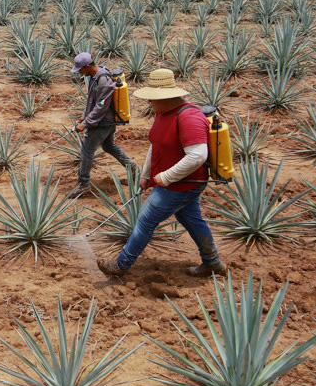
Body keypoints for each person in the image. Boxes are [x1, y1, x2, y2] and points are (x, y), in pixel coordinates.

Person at [97, 68, 226, 277]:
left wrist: (166, 176)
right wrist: (146, 174)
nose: (149, 103)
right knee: (192, 220)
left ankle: (121, 265)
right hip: (176, 184)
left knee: (145, 221)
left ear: (168, 97)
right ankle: (213, 262)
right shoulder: (163, 114)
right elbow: (156, 145)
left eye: (152, 99)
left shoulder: (189, 118)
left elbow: (198, 156)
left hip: (182, 184)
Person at [67, 52, 135, 199]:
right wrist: (85, 115)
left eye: (80, 69)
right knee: (109, 146)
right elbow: (91, 100)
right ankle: (134, 169)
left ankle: (83, 184)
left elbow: (101, 106)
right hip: (104, 121)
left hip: (103, 122)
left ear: (87, 66)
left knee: (87, 150)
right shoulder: (95, 76)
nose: (79, 72)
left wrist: (85, 124)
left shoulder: (104, 80)